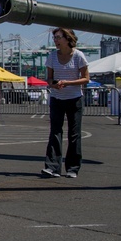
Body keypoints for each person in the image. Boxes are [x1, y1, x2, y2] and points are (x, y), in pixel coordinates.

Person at [42, 27, 90, 178]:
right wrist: (53, 84)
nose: (55, 40)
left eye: (58, 37)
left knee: (74, 134)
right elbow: (49, 79)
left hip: (74, 99)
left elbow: (86, 78)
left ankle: (72, 168)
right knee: (55, 132)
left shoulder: (78, 56)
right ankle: (52, 167)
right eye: (54, 37)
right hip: (57, 98)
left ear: (67, 39)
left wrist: (69, 83)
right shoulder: (52, 57)